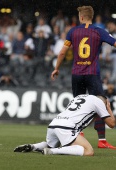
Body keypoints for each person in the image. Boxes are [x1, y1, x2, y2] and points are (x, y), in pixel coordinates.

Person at [51, 6, 116, 149]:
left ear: (81, 17)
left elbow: (62, 53)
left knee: (77, 105)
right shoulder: (99, 31)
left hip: (77, 74)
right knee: (101, 104)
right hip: (92, 74)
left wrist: (56, 68)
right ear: (91, 17)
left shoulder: (73, 31)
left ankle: (77, 136)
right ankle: (102, 140)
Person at [14, 95, 115, 156]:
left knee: (50, 144)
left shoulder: (80, 97)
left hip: (54, 124)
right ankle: (53, 152)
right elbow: (112, 124)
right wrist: (108, 108)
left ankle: (33, 146)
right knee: (88, 151)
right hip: (67, 127)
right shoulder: (99, 102)